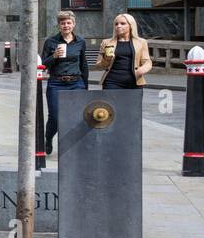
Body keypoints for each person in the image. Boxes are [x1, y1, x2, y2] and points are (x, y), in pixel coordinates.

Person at [40, 10, 89, 156]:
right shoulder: (51, 42)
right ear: (59, 25)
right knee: (55, 117)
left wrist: (85, 86)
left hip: (76, 82)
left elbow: (83, 64)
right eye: (63, 23)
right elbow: (43, 64)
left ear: (73, 24)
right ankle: (48, 139)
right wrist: (54, 56)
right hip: (56, 82)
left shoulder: (80, 41)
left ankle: (72, 146)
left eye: (68, 23)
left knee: (77, 116)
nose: (66, 25)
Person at [96, 12, 152, 89]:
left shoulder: (141, 42)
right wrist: (107, 59)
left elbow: (147, 62)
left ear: (131, 26)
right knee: (111, 101)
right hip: (112, 82)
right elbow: (99, 66)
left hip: (134, 82)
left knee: (133, 101)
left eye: (123, 23)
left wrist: (142, 70)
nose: (118, 26)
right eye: (116, 24)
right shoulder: (106, 42)